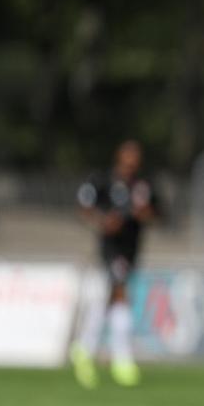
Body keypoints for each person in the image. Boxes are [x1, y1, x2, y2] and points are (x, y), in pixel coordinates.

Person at [70, 140, 157, 388]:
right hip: (111, 248)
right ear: (119, 157)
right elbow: (84, 206)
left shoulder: (143, 185)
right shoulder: (103, 181)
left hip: (132, 248)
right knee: (120, 294)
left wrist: (144, 213)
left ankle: (84, 348)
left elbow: (157, 212)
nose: (131, 162)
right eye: (128, 157)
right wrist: (104, 220)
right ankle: (121, 357)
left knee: (111, 296)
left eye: (135, 158)